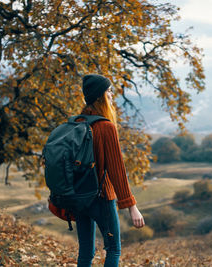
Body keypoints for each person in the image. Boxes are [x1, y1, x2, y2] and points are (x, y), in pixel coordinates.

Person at [75, 74, 145, 267]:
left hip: (79, 197)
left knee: (85, 252)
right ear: (100, 96)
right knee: (113, 249)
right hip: (101, 197)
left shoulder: (77, 122)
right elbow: (117, 171)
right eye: (109, 90)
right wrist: (131, 206)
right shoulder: (106, 127)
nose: (112, 94)